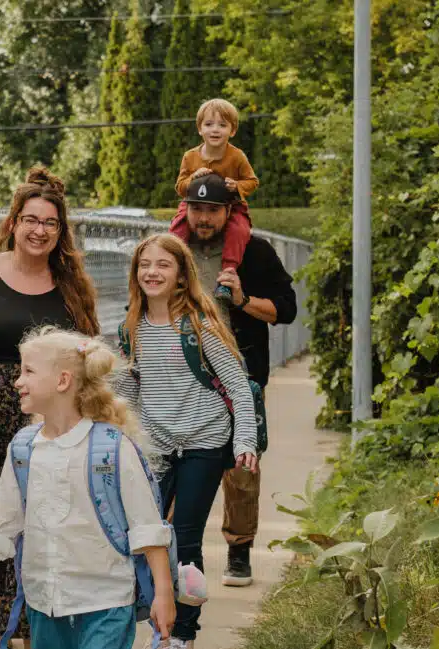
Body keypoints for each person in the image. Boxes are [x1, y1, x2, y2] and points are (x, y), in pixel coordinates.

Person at [0, 327, 175, 649]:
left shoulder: (112, 449)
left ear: (63, 381)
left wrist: (164, 594)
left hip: (105, 603)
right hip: (43, 604)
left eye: (28, 372)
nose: (17, 381)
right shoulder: (23, 449)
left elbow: (146, 527)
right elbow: (6, 517)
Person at [0, 166, 100, 649]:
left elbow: (87, 353)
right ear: (13, 222)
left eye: (50, 223)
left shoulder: (71, 287)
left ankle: (22, 617)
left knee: (41, 514)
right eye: (30, 219)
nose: (39, 230)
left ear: (60, 231)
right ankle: (2, 609)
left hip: (47, 419)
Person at [115, 231, 259, 649]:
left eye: (163, 265)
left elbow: (238, 385)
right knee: (147, 534)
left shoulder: (199, 324)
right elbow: (129, 391)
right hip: (156, 446)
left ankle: (181, 634)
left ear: (181, 276)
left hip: (204, 441)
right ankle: (157, 616)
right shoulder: (131, 327)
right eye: (145, 265)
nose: (152, 272)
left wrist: (244, 442)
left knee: (185, 536)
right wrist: (123, 438)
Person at [169, 173, 297, 589]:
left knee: (242, 467)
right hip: (184, 378)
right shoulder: (171, 251)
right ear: (185, 209)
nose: (203, 218)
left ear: (229, 211)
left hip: (240, 376)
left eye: (212, 210)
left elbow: (286, 310)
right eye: (196, 208)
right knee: (174, 462)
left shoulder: (254, 253)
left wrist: (242, 300)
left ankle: (239, 550)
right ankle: (174, 549)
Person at [168, 98, 259, 303]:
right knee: (177, 227)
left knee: (239, 230)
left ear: (232, 130)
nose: (215, 130)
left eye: (222, 125)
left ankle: (226, 276)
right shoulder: (190, 157)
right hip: (195, 203)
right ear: (200, 129)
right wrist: (193, 178)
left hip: (230, 205)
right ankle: (173, 270)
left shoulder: (236, 156)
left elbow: (252, 181)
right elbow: (180, 187)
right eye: (209, 124)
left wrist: (237, 186)